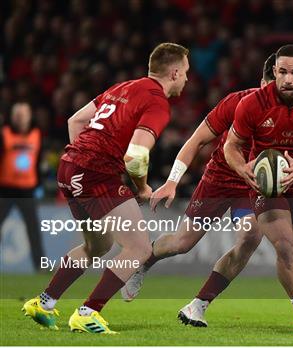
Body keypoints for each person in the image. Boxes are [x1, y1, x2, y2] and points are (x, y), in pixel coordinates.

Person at [119, 53, 293, 328]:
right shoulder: (237, 103)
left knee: (249, 238)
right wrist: (173, 181)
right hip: (221, 177)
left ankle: (198, 305)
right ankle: (146, 260)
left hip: (256, 183)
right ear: (264, 82)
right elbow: (197, 140)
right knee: (182, 243)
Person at [21, 43, 190, 334]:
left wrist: (81, 157)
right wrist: (142, 187)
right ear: (174, 72)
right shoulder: (157, 102)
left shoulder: (122, 88)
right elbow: (136, 156)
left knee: (97, 246)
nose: (187, 79)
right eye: (186, 72)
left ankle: (44, 302)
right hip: (95, 174)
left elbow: (76, 120)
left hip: (69, 167)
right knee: (139, 248)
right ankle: (88, 312)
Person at [224, 44, 293, 332]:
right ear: (274, 72)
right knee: (284, 246)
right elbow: (232, 146)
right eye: (283, 72)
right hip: (267, 186)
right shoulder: (252, 104)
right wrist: (242, 168)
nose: (288, 79)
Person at [0, 102, 45, 271]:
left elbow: (38, 162)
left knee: (33, 229)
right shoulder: (4, 134)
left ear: (29, 116)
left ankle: (40, 266)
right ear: (12, 117)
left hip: (27, 189)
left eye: (23, 114)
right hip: (5, 190)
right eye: (17, 114)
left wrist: (39, 184)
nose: (20, 118)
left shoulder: (37, 134)